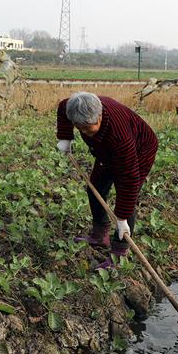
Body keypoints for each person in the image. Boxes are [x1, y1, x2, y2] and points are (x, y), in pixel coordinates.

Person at [56, 92, 158, 269]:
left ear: (100, 115)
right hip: (105, 151)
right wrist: (65, 137)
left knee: (126, 199)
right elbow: (63, 107)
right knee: (96, 187)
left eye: (89, 128)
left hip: (140, 149)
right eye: (81, 129)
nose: (86, 133)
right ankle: (100, 234)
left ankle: (119, 253)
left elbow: (129, 180)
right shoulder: (73, 106)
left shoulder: (120, 137)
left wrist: (121, 218)